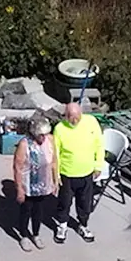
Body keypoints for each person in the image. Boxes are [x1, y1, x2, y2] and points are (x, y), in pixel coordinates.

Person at [52, 98, 105, 243]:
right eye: (71, 117)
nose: (74, 120)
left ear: (82, 113)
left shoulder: (91, 122)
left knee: (85, 203)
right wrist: (56, 176)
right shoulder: (59, 129)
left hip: (87, 173)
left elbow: (99, 145)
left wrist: (98, 165)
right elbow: (55, 154)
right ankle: (62, 226)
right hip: (67, 174)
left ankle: (83, 225)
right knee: (64, 202)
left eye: (77, 117)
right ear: (65, 116)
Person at [12, 117, 58, 252]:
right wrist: (19, 189)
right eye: (40, 135)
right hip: (28, 184)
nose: (43, 137)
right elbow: (17, 167)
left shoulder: (50, 140)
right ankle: (24, 235)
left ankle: (36, 234)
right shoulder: (24, 144)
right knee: (26, 209)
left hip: (43, 183)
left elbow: (54, 161)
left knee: (39, 209)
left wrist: (55, 181)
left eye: (45, 134)